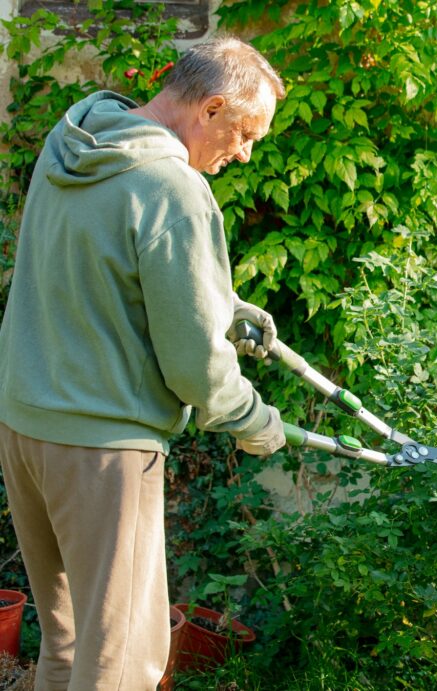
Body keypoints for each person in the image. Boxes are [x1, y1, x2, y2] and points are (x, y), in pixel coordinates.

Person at [0, 36, 287, 689]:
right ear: (211, 108)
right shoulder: (174, 189)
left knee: (69, 648)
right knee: (122, 665)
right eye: (244, 133)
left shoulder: (71, 141)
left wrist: (220, 300)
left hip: (24, 428)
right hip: (102, 451)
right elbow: (195, 366)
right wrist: (253, 418)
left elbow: (92, 272)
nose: (244, 152)